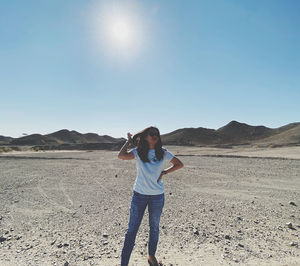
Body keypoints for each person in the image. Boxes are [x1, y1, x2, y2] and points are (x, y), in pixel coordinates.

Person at [118, 126, 184, 266]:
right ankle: (124, 263)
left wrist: (165, 172)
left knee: (154, 227)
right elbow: (121, 155)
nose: (155, 135)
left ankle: (151, 256)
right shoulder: (138, 152)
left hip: (157, 197)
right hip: (139, 196)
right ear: (145, 137)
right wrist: (128, 141)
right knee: (132, 229)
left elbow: (179, 164)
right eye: (151, 133)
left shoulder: (163, 152)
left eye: (157, 134)